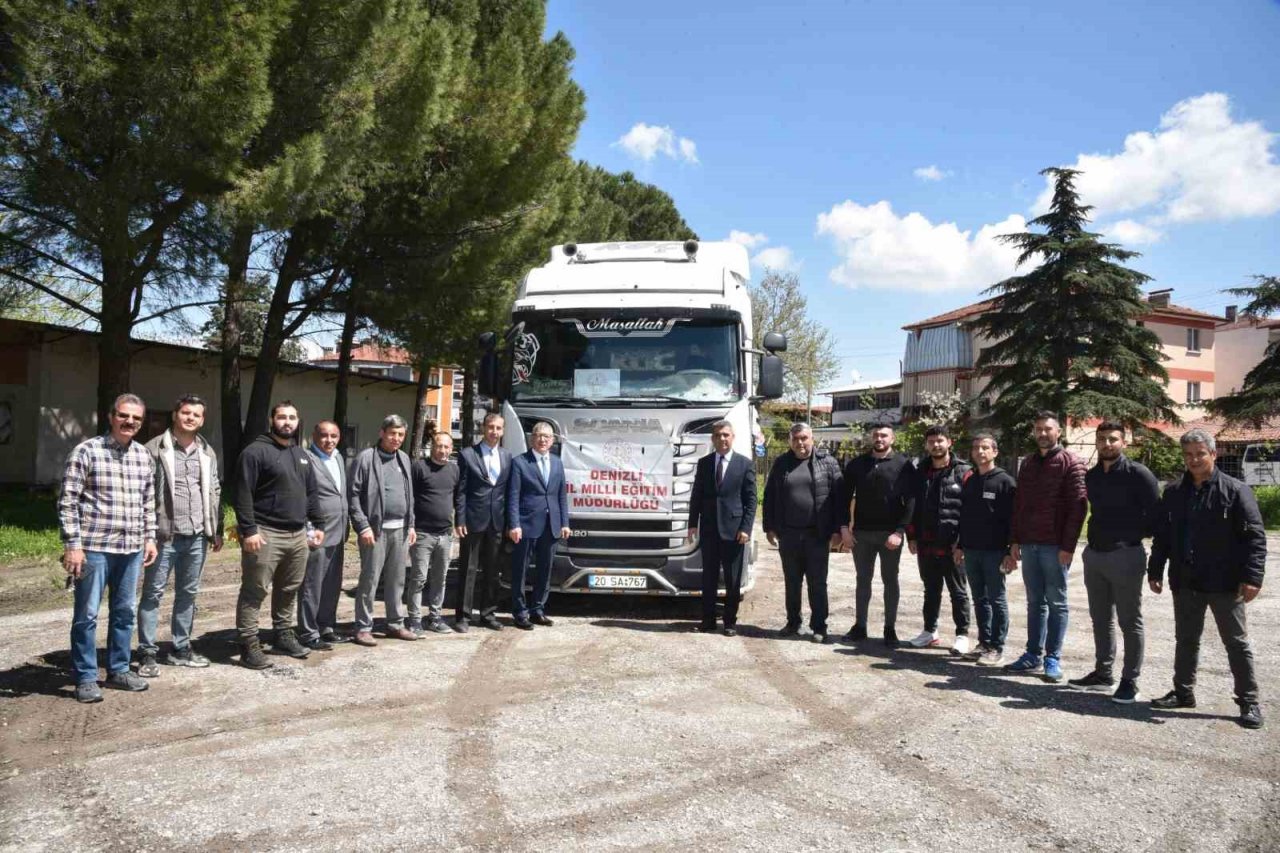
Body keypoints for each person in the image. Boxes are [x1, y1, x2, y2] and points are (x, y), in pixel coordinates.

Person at [1148, 429, 1266, 729]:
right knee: (1186, 640)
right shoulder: (1174, 492)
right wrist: (1155, 569)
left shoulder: (1236, 491)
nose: (1194, 459)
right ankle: (1183, 692)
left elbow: (1255, 538)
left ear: (1213, 454)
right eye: (1188, 454)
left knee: (1236, 643)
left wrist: (1253, 577)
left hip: (1225, 582)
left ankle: (1249, 701)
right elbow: (1163, 537)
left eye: (1200, 453)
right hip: (1186, 580)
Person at [59, 393, 159, 703]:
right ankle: (86, 677)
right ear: (111, 416)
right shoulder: (86, 451)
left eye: (136, 418)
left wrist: (150, 537)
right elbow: (67, 501)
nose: (130, 422)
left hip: (131, 549)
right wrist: (73, 546)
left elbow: (148, 502)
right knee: (87, 615)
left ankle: (118, 670)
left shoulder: (144, 456)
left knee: (124, 613)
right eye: (124, 415)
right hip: (94, 549)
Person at [1068, 422, 1161, 704]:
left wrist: (1131, 536)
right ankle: (1103, 674)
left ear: (1125, 441)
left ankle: (1130, 681)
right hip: (1095, 555)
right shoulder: (1093, 476)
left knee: (1129, 621)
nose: (1107, 444)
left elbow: (1156, 516)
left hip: (1126, 555)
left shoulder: (1138, 474)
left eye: (1113, 439)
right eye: (1102, 439)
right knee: (1100, 619)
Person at [233, 400, 325, 669]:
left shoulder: (302, 455)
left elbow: (311, 494)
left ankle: (283, 634)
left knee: (289, 588)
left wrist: (317, 524)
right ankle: (248, 644)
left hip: (298, 535)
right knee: (255, 590)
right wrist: (249, 530)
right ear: (272, 420)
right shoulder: (255, 452)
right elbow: (242, 494)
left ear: (298, 422)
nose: (287, 422)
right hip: (264, 533)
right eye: (282, 417)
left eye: (292, 417)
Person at [136, 394, 223, 677]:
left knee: (188, 594)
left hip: (197, 536)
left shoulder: (207, 452)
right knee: (152, 594)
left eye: (196, 415)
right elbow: (144, 494)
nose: (190, 418)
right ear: (175, 415)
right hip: (164, 537)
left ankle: (181, 648)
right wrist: (148, 533)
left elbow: (215, 490)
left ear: (202, 420)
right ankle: (147, 653)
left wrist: (216, 528)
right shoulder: (154, 449)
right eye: (185, 412)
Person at [1004, 412, 1087, 683]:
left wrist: (1068, 546)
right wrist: (1015, 540)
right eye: (1038, 428)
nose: (1042, 433)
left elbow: (1078, 508)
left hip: (1055, 547)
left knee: (1057, 602)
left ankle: (1053, 658)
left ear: (1058, 432)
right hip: (1029, 544)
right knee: (1034, 602)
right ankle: (1031, 655)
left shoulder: (1071, 463)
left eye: (1047, 429)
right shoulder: (1027, 463)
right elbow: (1019, 505)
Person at [761, 422, 843, 643]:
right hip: (788, 535)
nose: (800, 443)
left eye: (804, 438)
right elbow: (769, 497)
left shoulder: (827, 463)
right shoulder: (781, 464)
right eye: (796, 439)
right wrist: (769, 527)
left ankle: (819, 626)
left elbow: (839, 500)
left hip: (817, 535)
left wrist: (837, 530)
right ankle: (793, 622)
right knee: (792, 581)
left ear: (812, 439)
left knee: (817, 582)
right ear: (790, 441)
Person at [839, 423, 914, 647]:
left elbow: (911, 502)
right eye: (876, 435)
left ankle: (889, 630)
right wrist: (845, 528)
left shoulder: (904, 465)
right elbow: (843, 498)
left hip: (890, 536)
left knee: (890, 581)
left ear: (892, 438)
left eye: (884, 435)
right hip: (861, 534)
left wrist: (900, 531)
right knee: (863, 580)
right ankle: (860, 626)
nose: (879, 439)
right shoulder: (857, 464)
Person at [349, 414, 418, 646]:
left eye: (400, 434)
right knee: (370, 580)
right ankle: (363, 627)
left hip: (400, 531)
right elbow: (354, 496)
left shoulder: (404, 459)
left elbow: (410, 496)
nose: (396, 438)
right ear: (382, 433)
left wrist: (411, 525)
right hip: (374, 531)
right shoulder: (366, 458)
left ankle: (395, 624)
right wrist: (363, 526)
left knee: (397, 580)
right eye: (392, 433)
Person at [905, 425, 972, 654]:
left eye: (940, 441)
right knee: (930, 589)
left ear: (949, 443)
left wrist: (962, 543)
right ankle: (929, 631)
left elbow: (971, 512)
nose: (936, 445)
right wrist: (911, 536)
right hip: (926, 543)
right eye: (931, 441)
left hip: (953, 545)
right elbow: (912, 507)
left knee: (958, 591)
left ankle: (962, 634)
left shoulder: (964, 472)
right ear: (927, 445)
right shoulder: (919, 471)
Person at [686, 420, 756, 636]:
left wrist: (746, 528)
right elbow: (696, 495)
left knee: (733, 580)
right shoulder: (705, 463)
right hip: (709, 530)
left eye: (726, 434)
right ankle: (707, 620)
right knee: (709, 577)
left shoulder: (744, 464)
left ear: (732, 437)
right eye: (717, 435)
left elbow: (751, 500)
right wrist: (692, 525)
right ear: (712, 439)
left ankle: (729, 622)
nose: (722, 439)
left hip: (735, 532)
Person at [954, 432, 1016, 666]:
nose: (980, 452)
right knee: (979, 599)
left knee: (996, 599)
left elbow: (1013, 520)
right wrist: (960, 545)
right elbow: (965, 517)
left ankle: (997, 647)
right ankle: (984, 643)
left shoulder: (1005, 482)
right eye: (976, 448)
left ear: (995, 452)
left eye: (985, 448)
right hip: (971, 550)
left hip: (995, 551)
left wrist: (1011, 550)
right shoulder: (970, 480)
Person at [507, 422, 571, 630]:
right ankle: (520, 612)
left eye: (547, 436)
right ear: (531, 438)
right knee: (520, 570)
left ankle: (538, 610)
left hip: (551, 525)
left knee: (545, 569)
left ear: (552, 441)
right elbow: (513, 496)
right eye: (538, 435)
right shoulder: (519, 462)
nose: (542, 440)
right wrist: (514, 524)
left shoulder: (557, 462)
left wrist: (564, 522)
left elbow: (561, 495)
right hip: (525, 525)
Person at [455, 413, 512, 631]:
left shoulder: (507, 457)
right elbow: (460, 491)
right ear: (483, 428)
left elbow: (507, 492)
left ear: (503, 431)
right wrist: (459, 518)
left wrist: (509, 522)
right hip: (472, 520)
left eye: (498, 428)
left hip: (497, 522)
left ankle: (488, 614)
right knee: (468, 570)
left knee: (492, 571)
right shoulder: (468, 455)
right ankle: (463, 617)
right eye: (490, 427)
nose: (494, 432)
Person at [297, 420, 349, 651]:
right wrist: (309, 528)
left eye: (334, 436)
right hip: (317, 532)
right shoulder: (306, 459)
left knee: (332, 583)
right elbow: (303, 497)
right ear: (314, 436)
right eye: (324, 436)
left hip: (339, 531)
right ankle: (308, 632)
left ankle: (327, 626)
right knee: (312, 584)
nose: (329, 440)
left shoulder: (338, 457)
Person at [408, 431, 460, 635]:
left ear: (451, 448)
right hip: (422, 534)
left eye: (447, 446)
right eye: (439, 446)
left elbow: (457, 499)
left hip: (445, 535)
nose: (443, 450)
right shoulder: (419, 467)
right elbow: (410, 499)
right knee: (419, 578)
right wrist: (411, 526)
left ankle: (435, 618)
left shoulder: (454, 470)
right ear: (432, 446)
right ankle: (414, 620)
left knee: (441, 578)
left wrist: (458, 523)